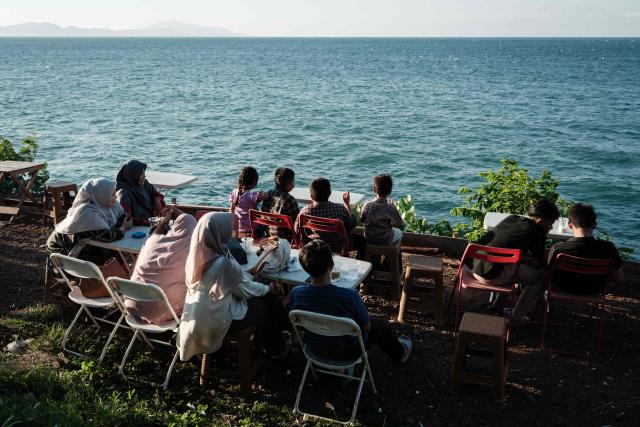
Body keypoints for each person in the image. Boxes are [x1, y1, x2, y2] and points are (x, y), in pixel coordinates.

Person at [177, 212, 288, 361]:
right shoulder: (223, 263)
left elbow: (233, 279)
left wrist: (248, 275)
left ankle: (275, 342)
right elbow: (245, 290)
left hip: (197, 315)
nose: (231, 232)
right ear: (219, 233)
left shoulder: (199, 255)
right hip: (217, 319)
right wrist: (269, 288)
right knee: (267, 303)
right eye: (227, 229)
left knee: (266, 297)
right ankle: (277, 346)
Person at [287, 239, 412, 363]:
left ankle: (341, 371)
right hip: (348, 351)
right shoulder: (349, 296)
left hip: (315, 347)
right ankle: (401, 354)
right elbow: (366, 327)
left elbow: (297, 324)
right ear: (331, 265)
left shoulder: (296, 294)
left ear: (304, 267)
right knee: (379, 327)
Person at [471, 198, 560, 326]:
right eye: (550, 224)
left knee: (511, 262)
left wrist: (523, 257)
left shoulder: (511, 219)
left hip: (475, 268)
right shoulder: (538, 231)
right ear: (540, 221)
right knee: (540, 279)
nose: (551, 227)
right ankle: (516, 318)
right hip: (493, 276)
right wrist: (528, 258)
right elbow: (538, 262)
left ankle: (497, 305)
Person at [125, 208, 196, 325]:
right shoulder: (190, 252)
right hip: (162, 314)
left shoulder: (152, 241)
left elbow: (155, 233)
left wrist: (164, 221)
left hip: (131, 305)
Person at [46, 178, 132, 264]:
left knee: (112, 256)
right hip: (61, 248)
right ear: (102, 195)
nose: (116, 197)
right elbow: (108, 236)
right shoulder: (89, 212)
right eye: (113, 194)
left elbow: (125, 217)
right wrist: (123, 228)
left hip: (84, 244)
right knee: (100, 264)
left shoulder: (108, 204)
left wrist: (121, 224)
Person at [547, 203, 624, 294]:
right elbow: (619, 279)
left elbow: (547, 274)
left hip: (562, 288)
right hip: (594, 291)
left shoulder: (558, 248)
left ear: (570, 225)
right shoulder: (609, 248)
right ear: (595, 225)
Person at [294, 178, 356, 253]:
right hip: (338, 247)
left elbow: (297, 230)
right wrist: (347, 204)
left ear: (311, 196)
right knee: (360, 239)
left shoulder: (305, 211)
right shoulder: (340, 209)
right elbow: (352, 225)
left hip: (316, 247)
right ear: (329, 193)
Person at [116, 159, 166, 226]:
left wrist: (156, 200)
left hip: (152, 222)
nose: (144, 176)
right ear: (133, 174)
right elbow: (127, 218)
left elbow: (158, 195)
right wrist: (150, 223)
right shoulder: (124, 194)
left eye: (144, 173)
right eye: (141, 174)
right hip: (137, 228)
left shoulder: (144, 184)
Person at [360, 174, 404, 245]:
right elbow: (400, 224)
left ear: (374, 189)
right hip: (385, 240)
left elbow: (362, 220)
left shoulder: (367, 205)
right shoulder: (390, 207)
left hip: (368, 238)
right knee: (399, 233)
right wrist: (394, 207)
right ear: (390, 190)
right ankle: (391, 255)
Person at [260, 167, 300, 241]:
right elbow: (297, 223)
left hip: (269, 234)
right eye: (293, 180)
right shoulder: (290, 200)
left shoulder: (268, 194)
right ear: (288, 184)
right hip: (286, 238)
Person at [229, 166, 268, 237]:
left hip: (239, 228)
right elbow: (265, 196)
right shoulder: (252, 195)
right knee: (265, 227)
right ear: (253, 183)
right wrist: (262, 192)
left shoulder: (234, 192)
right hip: (253, 230)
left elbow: (231, 211)